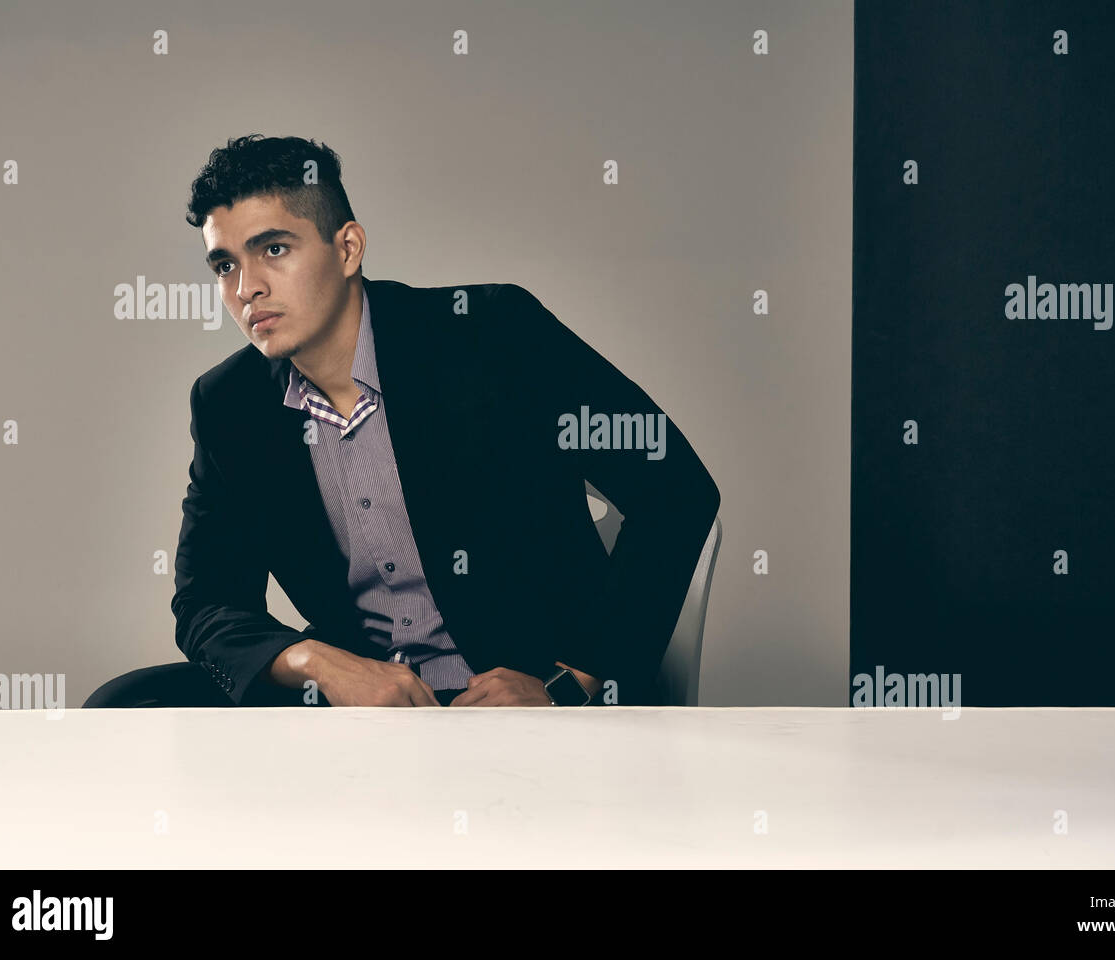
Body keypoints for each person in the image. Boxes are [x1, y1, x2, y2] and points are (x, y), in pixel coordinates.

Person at [168, 134, 719, 708]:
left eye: (274, 250)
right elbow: (206, 601)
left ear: (348, 248)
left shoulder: (494, 336)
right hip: (365, 714)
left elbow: (677, 492)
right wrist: (317, 662)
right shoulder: (228, 403)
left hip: (524, 703)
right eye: (225, 264)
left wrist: (572, 684)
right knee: (130, 701)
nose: (245, 288)